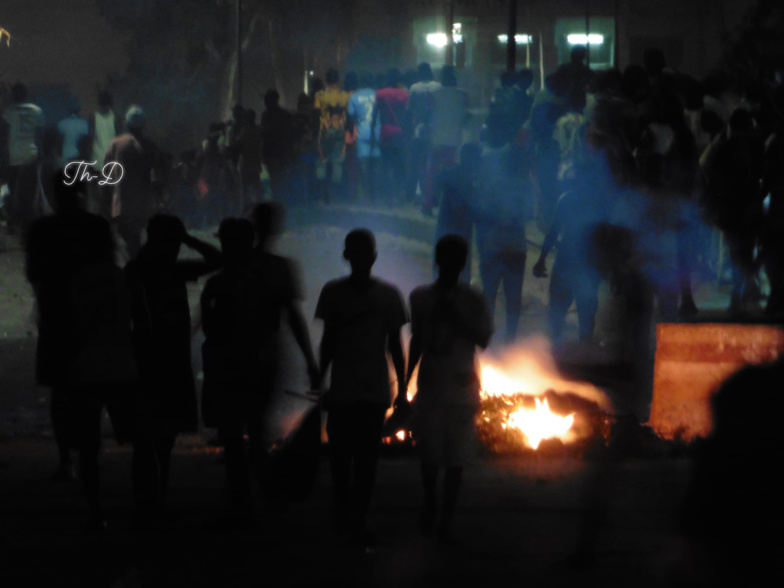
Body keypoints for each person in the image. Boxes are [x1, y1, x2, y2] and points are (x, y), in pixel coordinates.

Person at [315, 228, 408, 547]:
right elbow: (395, 346)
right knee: (361, 459)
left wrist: (320, 379)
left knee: (346, 457)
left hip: (350, 387)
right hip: (369, 388)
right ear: (373, 257)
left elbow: (329, 341)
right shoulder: (388, 295)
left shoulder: (333, 293)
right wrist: (403, 389)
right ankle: (355, 518)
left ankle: (347, 515)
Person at [124, 215, 222, 504]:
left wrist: (183, 238)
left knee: (152, 437)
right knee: (157, 436)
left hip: (153, 358)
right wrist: (187, 238)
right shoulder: (163, 270)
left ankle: (151, 499)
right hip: (161, 359)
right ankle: (154, 497)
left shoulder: (150, 268)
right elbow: (217, 259)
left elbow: (218, 260)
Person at [407, 234, 493, 544]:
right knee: (430, 455)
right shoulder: (420, 298)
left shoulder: (472, 300)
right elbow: (417, 340)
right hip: (433, 382)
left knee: (455, 457)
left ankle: (443, 516)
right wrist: (407, 381)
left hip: (460, 385)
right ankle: (433, 507)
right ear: (440, 261)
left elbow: (482, 340)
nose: (453, 266)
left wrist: (457, 318)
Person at [200, 217, 272, 528]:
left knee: (234, 439)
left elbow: (210, 325)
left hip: (229, 367)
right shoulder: (258, 280)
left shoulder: (220, 283)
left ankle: (243, 504)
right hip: (252, 365)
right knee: (253, 437)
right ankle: (260, 502)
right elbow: (271, 324)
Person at [476, 113, 537, 343]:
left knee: (489, 294)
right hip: (516, 246)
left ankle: (487, 338)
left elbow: (484, 212)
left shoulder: (496, 184)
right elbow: (529, 215)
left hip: (493, 244)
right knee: (513, 297)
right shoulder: (528, 187)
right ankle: (510, 340)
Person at [104, 105, 160, 262]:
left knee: (126, 245)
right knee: (134, 243)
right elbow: (155, 178)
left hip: (120, 204)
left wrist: (107, 204)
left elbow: (107, 178)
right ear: (144, 125)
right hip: (142, 205)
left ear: (126, 123)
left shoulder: (115, 144)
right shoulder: (150, 146)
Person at [433, 142, 481, 283]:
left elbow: (436, 187)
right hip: (456, 229)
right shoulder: (472, 178)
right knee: (461, 268)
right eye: (477, 158)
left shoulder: (451, 174)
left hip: (448, 228)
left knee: (443, 268)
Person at [425, 65, 469, 215]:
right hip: (454, 141)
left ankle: (428, 205)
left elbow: (428, 116)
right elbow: (466, 117)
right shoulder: (463, 95)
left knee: (431, 173)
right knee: (453, 176)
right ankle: (452, 207)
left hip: (436, 139)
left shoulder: (433, 94)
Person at [2, 82, 44, 234]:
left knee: (13, 190)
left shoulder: (8, 112)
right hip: (30, 156)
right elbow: (39, 136)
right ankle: (27, 223)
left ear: (13, 96)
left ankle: (14, 221)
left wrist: (5, 158)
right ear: (26, 94)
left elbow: (5, 138)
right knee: (30, 192)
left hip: (14, 156)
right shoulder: (37, 111)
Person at [407, 63, 442, 211]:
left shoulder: (415, 88)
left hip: (420, 131)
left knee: (421, 166)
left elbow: (409, 110)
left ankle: (424, 197)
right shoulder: (439, 87)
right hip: (436, 131)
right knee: (435, 166)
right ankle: (434, 196)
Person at [373, 68, 409, 203]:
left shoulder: (380, 93)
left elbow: (375, 115)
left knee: (386, 166)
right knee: (398, 166)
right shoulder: (404, 95)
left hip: (385, 133)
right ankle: (399, 196)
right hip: (399, 134)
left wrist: (372, 134)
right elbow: (407, 116)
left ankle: (388, 196)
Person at [314, 69, 349, 203]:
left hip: (324, 130)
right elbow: (348, 115)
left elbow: (316, 114)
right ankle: (333, 194)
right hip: (339, 130)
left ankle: (323, 194)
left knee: (321, 162)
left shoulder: (320, 95)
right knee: (337, 163)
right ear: (338, 80)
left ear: (327, 80)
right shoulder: (345, 95)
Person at [347, 73, 381, 202]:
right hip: (377, 132)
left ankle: (366, 194)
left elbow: (351, 117)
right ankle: (376, 194)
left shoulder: (354, 97)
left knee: (364, 166)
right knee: (377, 164)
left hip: (362, 133)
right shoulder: (378, 94)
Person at [86, 91, 119, 216]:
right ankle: (109, 222)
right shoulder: (116, 118)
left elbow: (90, 139)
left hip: (97, 161)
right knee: (109, 195)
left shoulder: (93, 117)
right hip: (111, 163)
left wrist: (88, 161)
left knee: (95, 195)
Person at [260, 89, 294, 203]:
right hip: (282, 153)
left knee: (275, 178)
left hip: (272, 153)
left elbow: (264, 135)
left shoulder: (266, 116)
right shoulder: (285, 115)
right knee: (281, 178)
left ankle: (278, 200)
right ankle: (281, 201)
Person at [236, 108, 264, 211]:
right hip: (255, 165)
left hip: (245, 166)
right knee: (257, 190)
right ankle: (259, 210)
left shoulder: (244, 131)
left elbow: (238, 147)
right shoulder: (258, 131)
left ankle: (246, 212)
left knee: (244, 192)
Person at [57, 99, 89, 167]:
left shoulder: (61, 124)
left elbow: (59, 142)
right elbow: (85, 144)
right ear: (79, 109)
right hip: (78, 156)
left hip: (64, 156)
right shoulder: (84, 124)